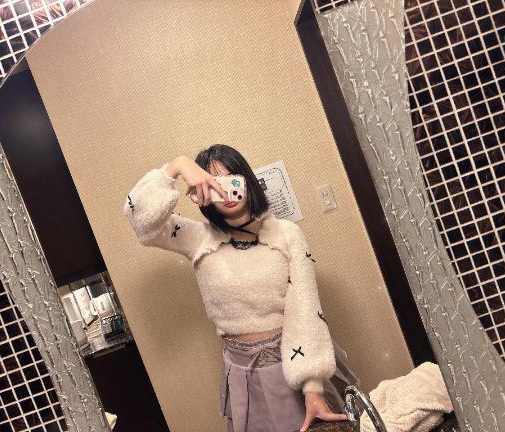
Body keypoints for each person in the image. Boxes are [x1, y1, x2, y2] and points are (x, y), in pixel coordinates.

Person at [123, 144, 358, 432]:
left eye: (231, 178)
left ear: (247, 179)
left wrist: (312, 389)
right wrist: (177, 167)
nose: (225, 190)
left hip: (295, 367)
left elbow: (306, 308)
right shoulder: (197, 238)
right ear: (202, 191)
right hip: (241, 375)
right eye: (214, 182)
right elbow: (142, 224)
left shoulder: (286, 233)